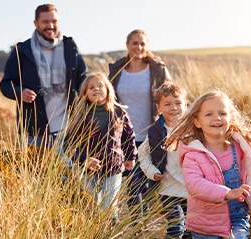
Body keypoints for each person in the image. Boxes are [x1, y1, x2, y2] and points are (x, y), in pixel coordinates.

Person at [165, 90, 251, 239]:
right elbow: (195, 185)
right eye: (209, 114)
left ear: (230, 118)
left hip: (238, 217)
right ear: (197, 121)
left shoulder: (236, 146)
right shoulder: (193, 154)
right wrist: (227, 193)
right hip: (207, 224)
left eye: (222, 113)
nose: (217, 118)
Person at [0, 4, 88, 147]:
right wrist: (19, 92)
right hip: (35, 130)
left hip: (68, 128)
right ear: (36, 23)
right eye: (45, 22)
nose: (50, 26)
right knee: (35, 169)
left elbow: (83, 78)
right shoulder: (22, 50)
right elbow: (5, 84)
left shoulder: (70, 46)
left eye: (54, 21)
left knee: (69, 169)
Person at [108, 29, 171, 216]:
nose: (139, 47)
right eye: (135, 43)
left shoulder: (157, 69)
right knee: (133, 185)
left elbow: (169, 96)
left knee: (146, 185)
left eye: (143, 43)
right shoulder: (117, 69)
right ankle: (136, 225)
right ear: (128, 45)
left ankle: (142, 219)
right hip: (123, 136)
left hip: (151, 135)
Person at [64, 72, 137, 219]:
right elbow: (68, 145)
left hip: (113, 167)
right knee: (92, 205)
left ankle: (112, 230)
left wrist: (130, 157)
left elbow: (129, 137)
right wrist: (85, 160)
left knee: (110, 207)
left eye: (100, 85)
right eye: (91, 87)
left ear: (108, 90)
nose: (96, 89)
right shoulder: (80, 115)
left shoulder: (119, 112)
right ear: (85, 93)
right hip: (87, 170)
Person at [138, 82, 192, 238]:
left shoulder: (194, 129)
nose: (173, 107)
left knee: (190, 230)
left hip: (191, 189)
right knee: (176, 228)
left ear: (186, 105)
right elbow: (143, 154)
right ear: (158, 108)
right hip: (167, 189)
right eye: (167, 104)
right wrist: (151, 172)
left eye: (178, 103)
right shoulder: (155, 131)